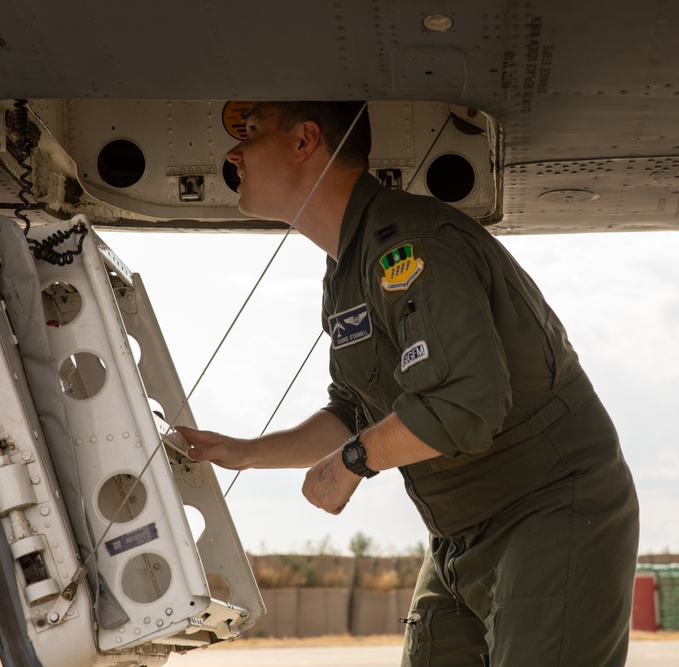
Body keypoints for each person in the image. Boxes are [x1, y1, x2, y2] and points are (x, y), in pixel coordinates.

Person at [178, 101, 639, 666]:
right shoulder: (346, 264)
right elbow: (355, 409)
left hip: (547, 514)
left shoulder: (413, 244)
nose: (232, 152)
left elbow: (465, 404)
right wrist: (246, 453)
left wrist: (353, 461)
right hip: (458, 535)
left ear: (305, 142)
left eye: (250, 133)